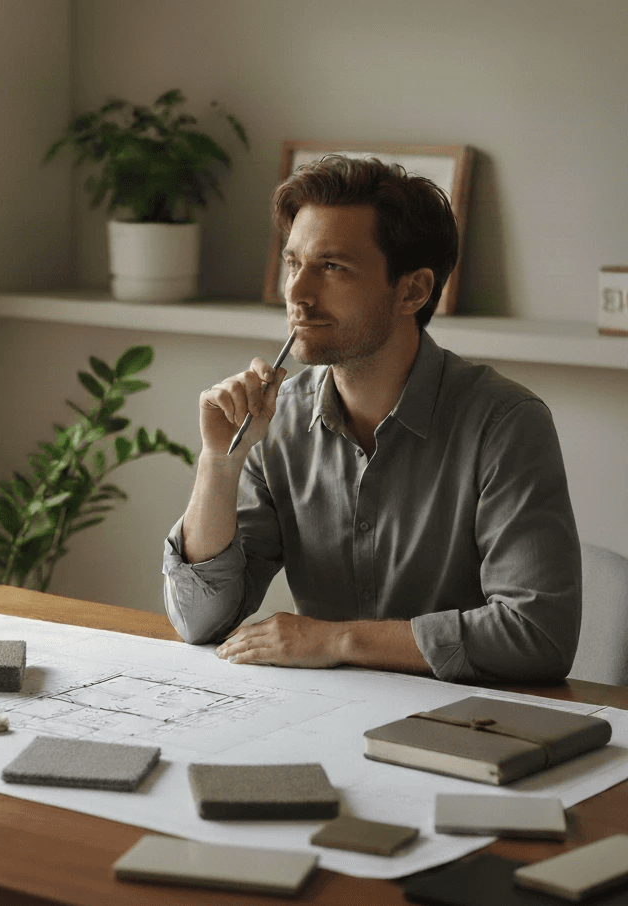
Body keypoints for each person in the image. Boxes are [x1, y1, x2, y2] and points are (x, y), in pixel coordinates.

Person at [162, 155, 580, 684]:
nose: (297, 294)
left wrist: (338, 639)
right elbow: (199, 621)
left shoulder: (506, 425)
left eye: (333, 267)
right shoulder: (277, 424)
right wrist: (219, 464)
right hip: (323, 720)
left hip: (465, 729)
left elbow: (538, 634)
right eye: (294, 263)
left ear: (413, 290)